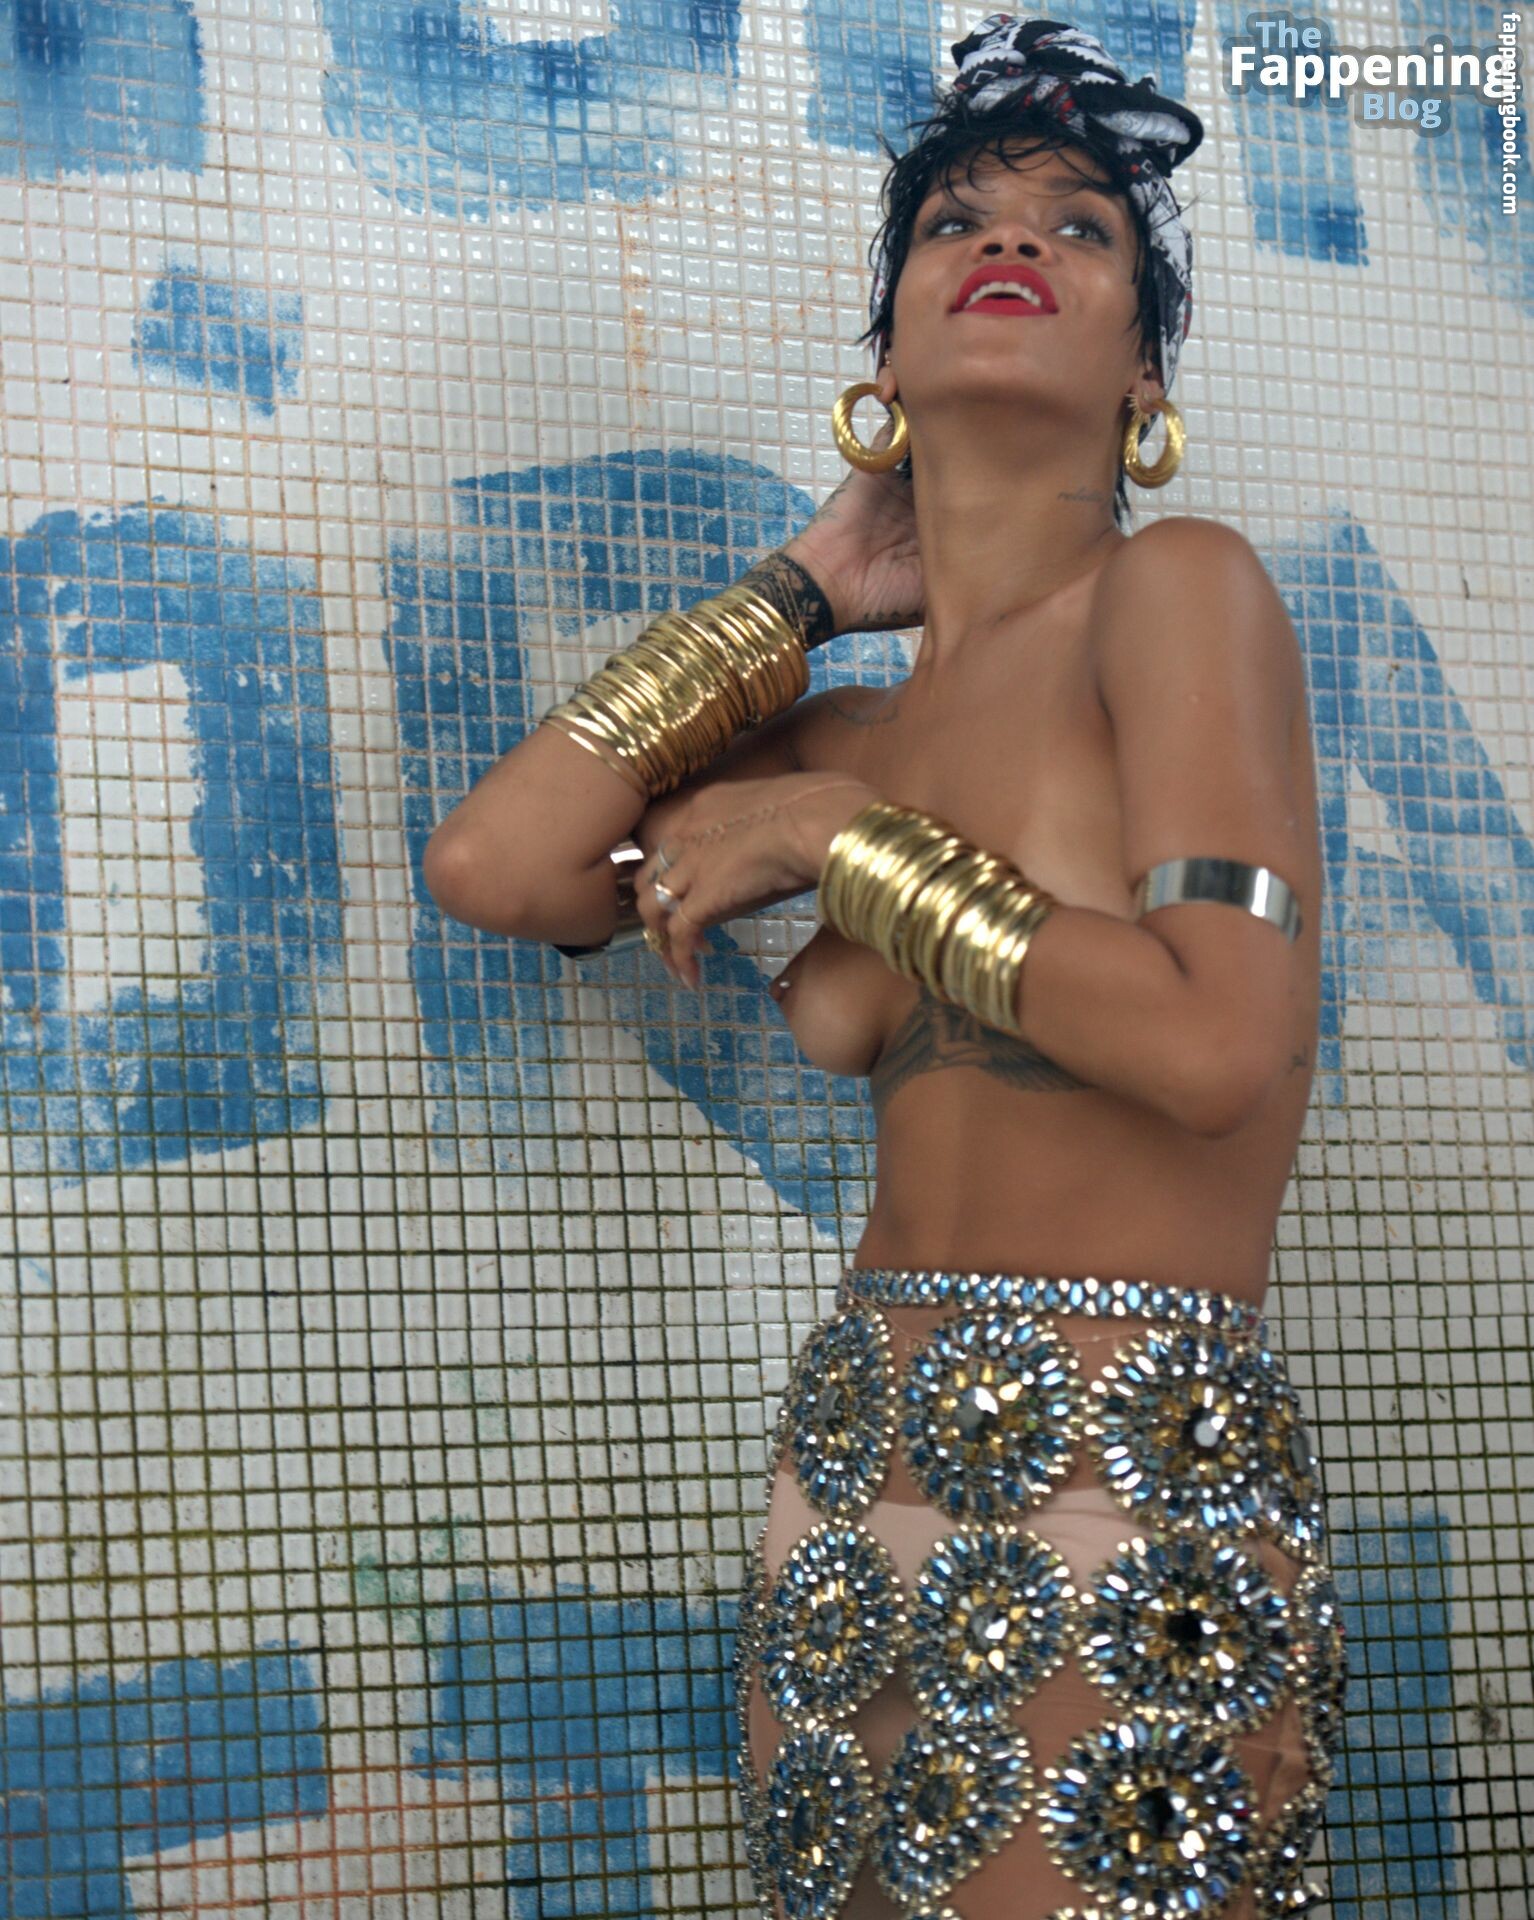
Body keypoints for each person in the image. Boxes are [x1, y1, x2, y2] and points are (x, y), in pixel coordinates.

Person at [422, 16, 1345, 1918]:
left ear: (1143, 372)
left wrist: (842, 848)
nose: (1008, 239)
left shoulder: (1178, 592)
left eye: (1079, 228)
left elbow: (1217, 1043)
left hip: (1122, 1451)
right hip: (856, 1453)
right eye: (953, 220)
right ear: (885, 364)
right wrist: (802, 595)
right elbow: (498, 866)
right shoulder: (850, 728)